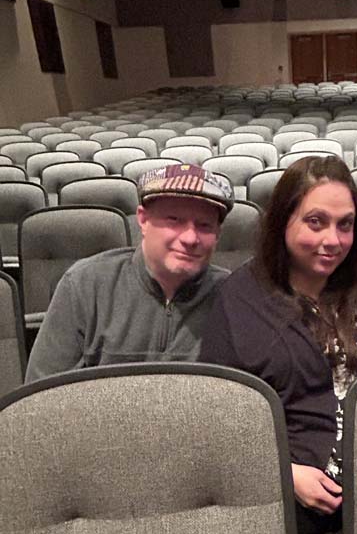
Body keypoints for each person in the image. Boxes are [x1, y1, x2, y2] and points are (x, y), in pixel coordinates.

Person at [200, 155, 357, 534]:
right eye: (315, 222)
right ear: (283, 222)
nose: (332, 240)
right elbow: (222, 413)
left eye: (345, 225)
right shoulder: (241, 298)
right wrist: (284, 472)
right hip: (297, 473)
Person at [26, 164, 234, 383]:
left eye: (204, 225)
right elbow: (42, 392)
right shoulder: (84, 285)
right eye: (174, 220)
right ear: (143, 220)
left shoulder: (233, 297)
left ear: (218, 234)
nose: (190, 238)